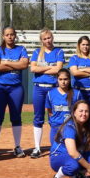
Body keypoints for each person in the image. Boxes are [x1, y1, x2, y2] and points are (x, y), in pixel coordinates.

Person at [0, 26, 29, 159]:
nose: (10, 37)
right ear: (3, 36)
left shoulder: (21, 49)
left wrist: (7, 62)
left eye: (12, 34)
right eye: (7, 35)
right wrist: (15, 64)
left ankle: (17, 146)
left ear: (15, 36)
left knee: (16, 117)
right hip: (0, 87)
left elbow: (24, 65)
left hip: (16, 88)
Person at [48, 100, 90, 178]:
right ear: (74, 113)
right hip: (59, 157)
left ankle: (78, 174)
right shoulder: (69, 126)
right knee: (73, 165)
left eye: (86, 111)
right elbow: (72, 152)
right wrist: (89, 167)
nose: (84, 114)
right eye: (81, 111)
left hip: (75, 156)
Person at [28, 28, 64, 158]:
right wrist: (50, 68)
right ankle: (37, 148)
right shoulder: (37, 52)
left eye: (49, 38)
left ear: (52, 38)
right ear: (41, 40)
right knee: (38, 117)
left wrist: (41, 69)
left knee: (53, 117)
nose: (47, 40)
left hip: (53, 89)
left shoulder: (59, 51)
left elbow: (58, 69)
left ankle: (55, 146)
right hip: (39, 88)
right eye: (45, 39)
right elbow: (32, 68)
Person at [68, 35, 90, 127]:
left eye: (87, 44)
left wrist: (81, 70)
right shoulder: (74, 58)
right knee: (78, 116)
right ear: (79, 45)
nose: (85, 47)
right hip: (79, 91)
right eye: (83, 44)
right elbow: (74, 72)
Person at [44, 69, 74, 144]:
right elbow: (50, 111)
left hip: (70, 128)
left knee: (71, 152)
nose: (63, 82)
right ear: (57, 80)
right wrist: (53, 123)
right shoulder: (51, 94)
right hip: (56, 127)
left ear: (69, 80)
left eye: (65, 79)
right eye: (60, 79)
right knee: (55, 152)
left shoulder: (76, 94)